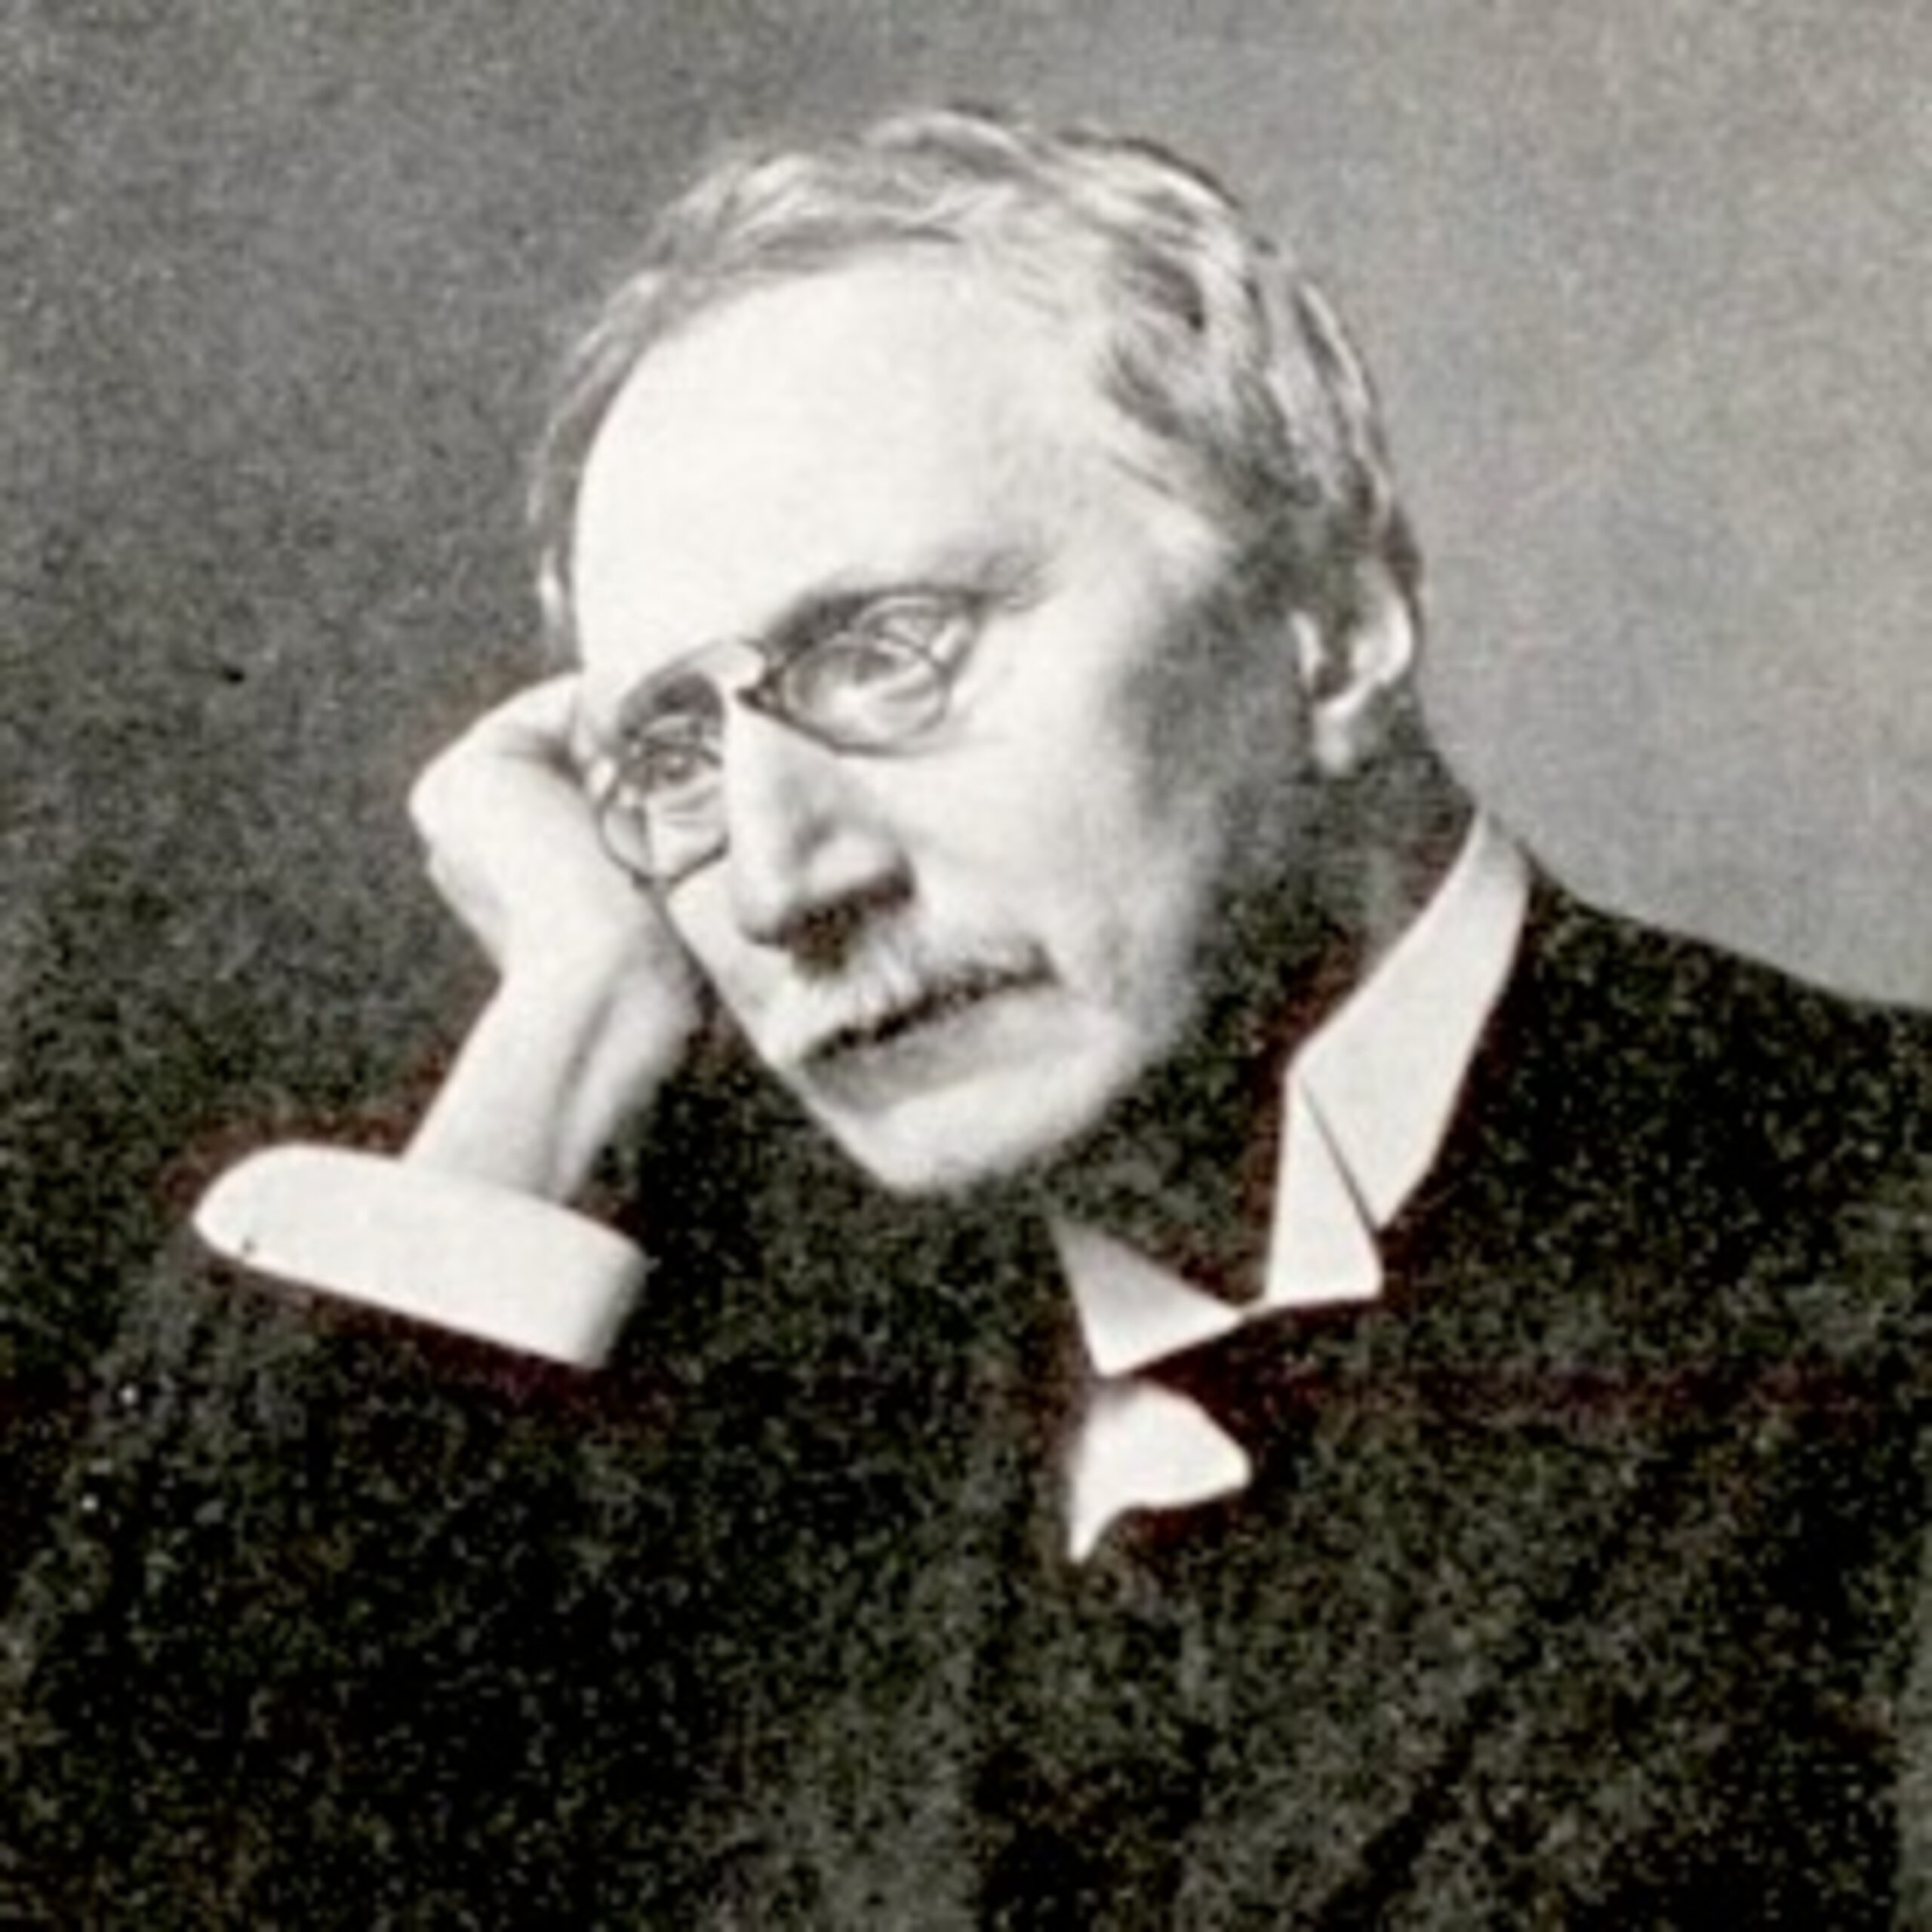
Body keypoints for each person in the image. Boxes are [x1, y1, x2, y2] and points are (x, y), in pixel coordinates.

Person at [5, 106, 1932, 1926]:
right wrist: (563, 1026)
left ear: (1334, 631)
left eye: (885, 650)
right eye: (665, 749)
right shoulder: (719, 1378)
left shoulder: (1871, 1231)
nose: (782, 881)